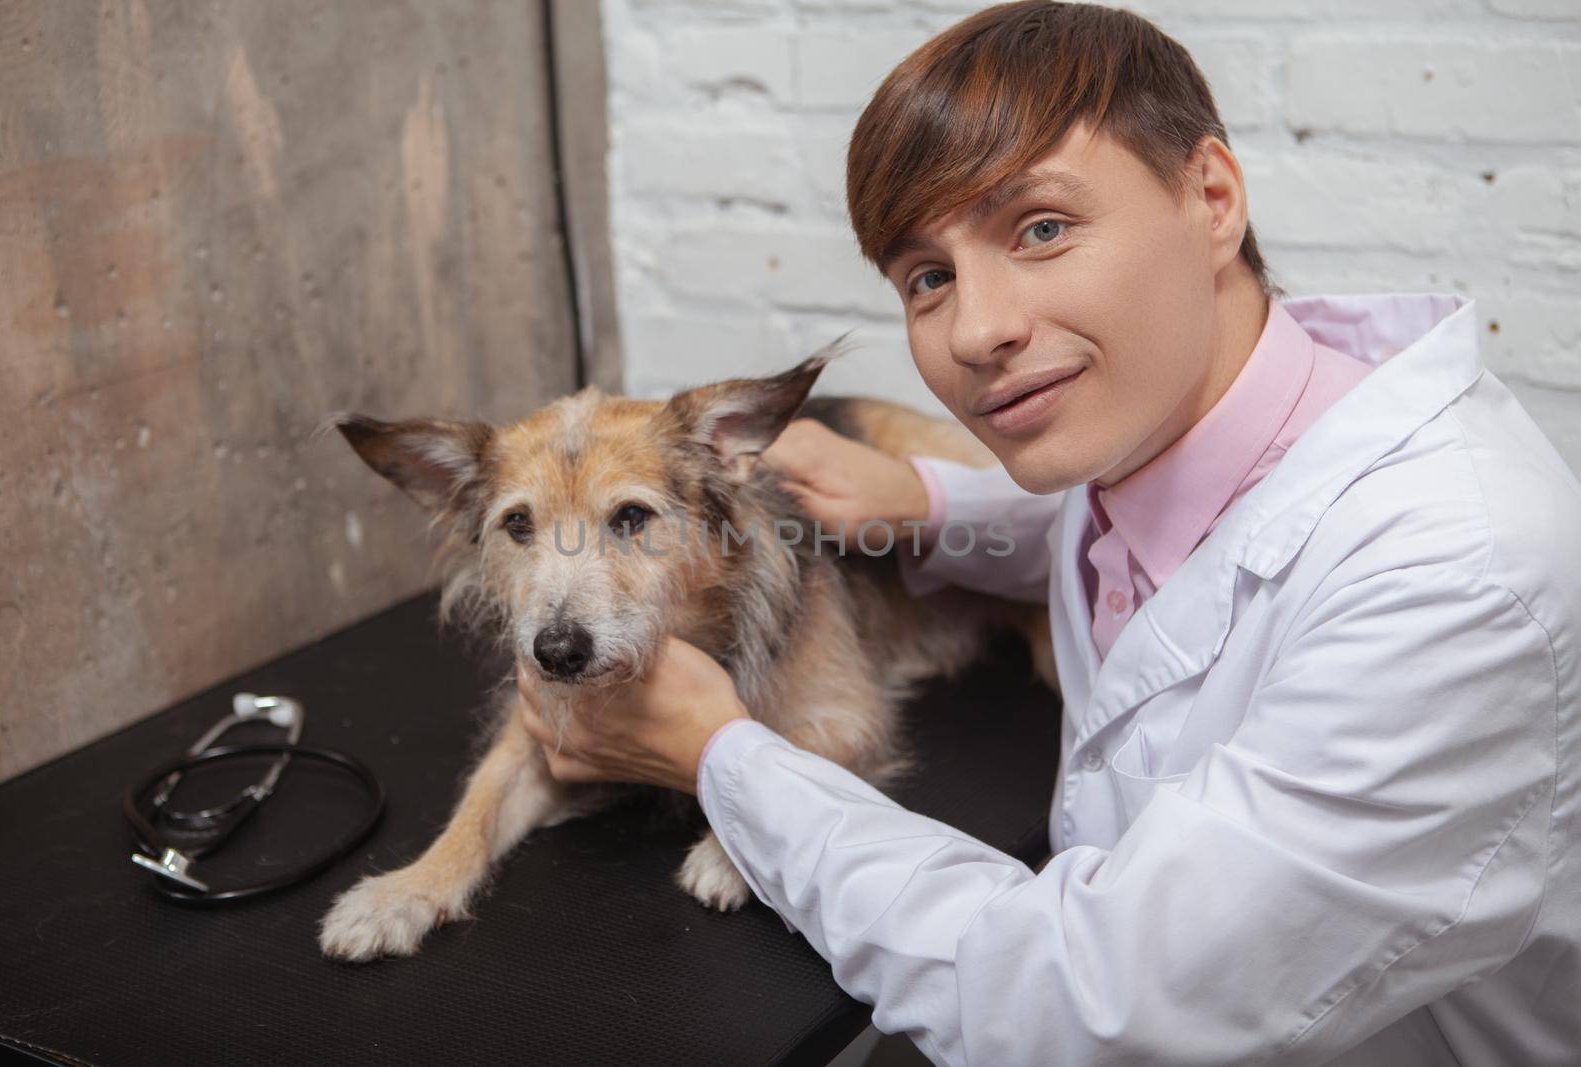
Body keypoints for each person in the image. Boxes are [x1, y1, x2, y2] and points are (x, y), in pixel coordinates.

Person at [519, 3, 1581, 1063]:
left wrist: (721, 754)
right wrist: (929, 504)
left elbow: (1088, 1003)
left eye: (1041, 228)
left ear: (1210, 197)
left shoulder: (1454, 576)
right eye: (927, 278)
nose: (977, 331)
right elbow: (1193, 546)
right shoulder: (1173, 417)